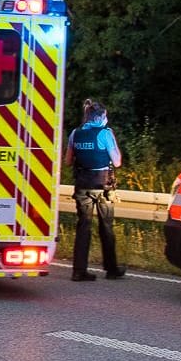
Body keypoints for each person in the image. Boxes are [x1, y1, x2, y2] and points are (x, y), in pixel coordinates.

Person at [63, 99, 125, 281]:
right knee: (106, 226)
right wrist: (111, 139)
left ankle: (78, 271)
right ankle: (111, 268)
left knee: (84, 226)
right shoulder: (105, 133)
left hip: (82, 185)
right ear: (101, 116)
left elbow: (68, 161)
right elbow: (117, 161)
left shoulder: (76, 133)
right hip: (102, 186)